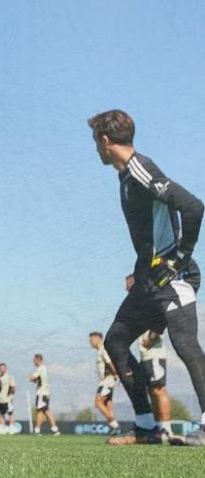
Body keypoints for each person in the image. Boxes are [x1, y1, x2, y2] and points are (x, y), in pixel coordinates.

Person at [88, 110, 205, 445]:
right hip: (147, 282)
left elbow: (194, 207)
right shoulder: (126, 176)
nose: (96, 150)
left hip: (171, 279)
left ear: (106, 141)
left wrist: (179, 258)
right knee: (116, 341)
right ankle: (146, 428)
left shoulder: (140, 169)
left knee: (185, 344)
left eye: (96, 143)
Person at [138, 330, 173, 439]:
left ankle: (166, 429)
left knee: (159, 390)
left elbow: (158, 325)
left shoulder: (150, 312)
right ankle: (158, 427)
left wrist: (150, 340)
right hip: (146, 355)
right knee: (152, 391)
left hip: (155, 354)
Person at [88, 332, 121, 435]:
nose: (90, 342)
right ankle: (113, 428)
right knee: (107, 403)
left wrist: (115, 375)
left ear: (98, 338)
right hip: (107, 380)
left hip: (107, 380)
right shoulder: (100, 351)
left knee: (98, 402)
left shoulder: (103, 349)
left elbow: (109, 362)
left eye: (91, 340)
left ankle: (114, 424)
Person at [30, 354, 60, 436]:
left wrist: (33, 378)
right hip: (44, 392)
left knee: (43, 410)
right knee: (43, 411)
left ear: (37, 359)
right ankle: (41, 430)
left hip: (41, 393)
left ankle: (52, 429)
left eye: (34, 360)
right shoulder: (43, 368)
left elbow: (31, 378)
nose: (33, 361)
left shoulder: (40, 368)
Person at [0, 363, 16, 433]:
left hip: (8, 400)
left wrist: (10, 396)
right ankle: (2, 427)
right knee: (2, 414)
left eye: (3, 368)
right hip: (0, 400)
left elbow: (13, 388)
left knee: (10, 413)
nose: (1, 369)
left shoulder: (9, 377)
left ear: (5, 369)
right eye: (0, 368)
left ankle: (11, 427)